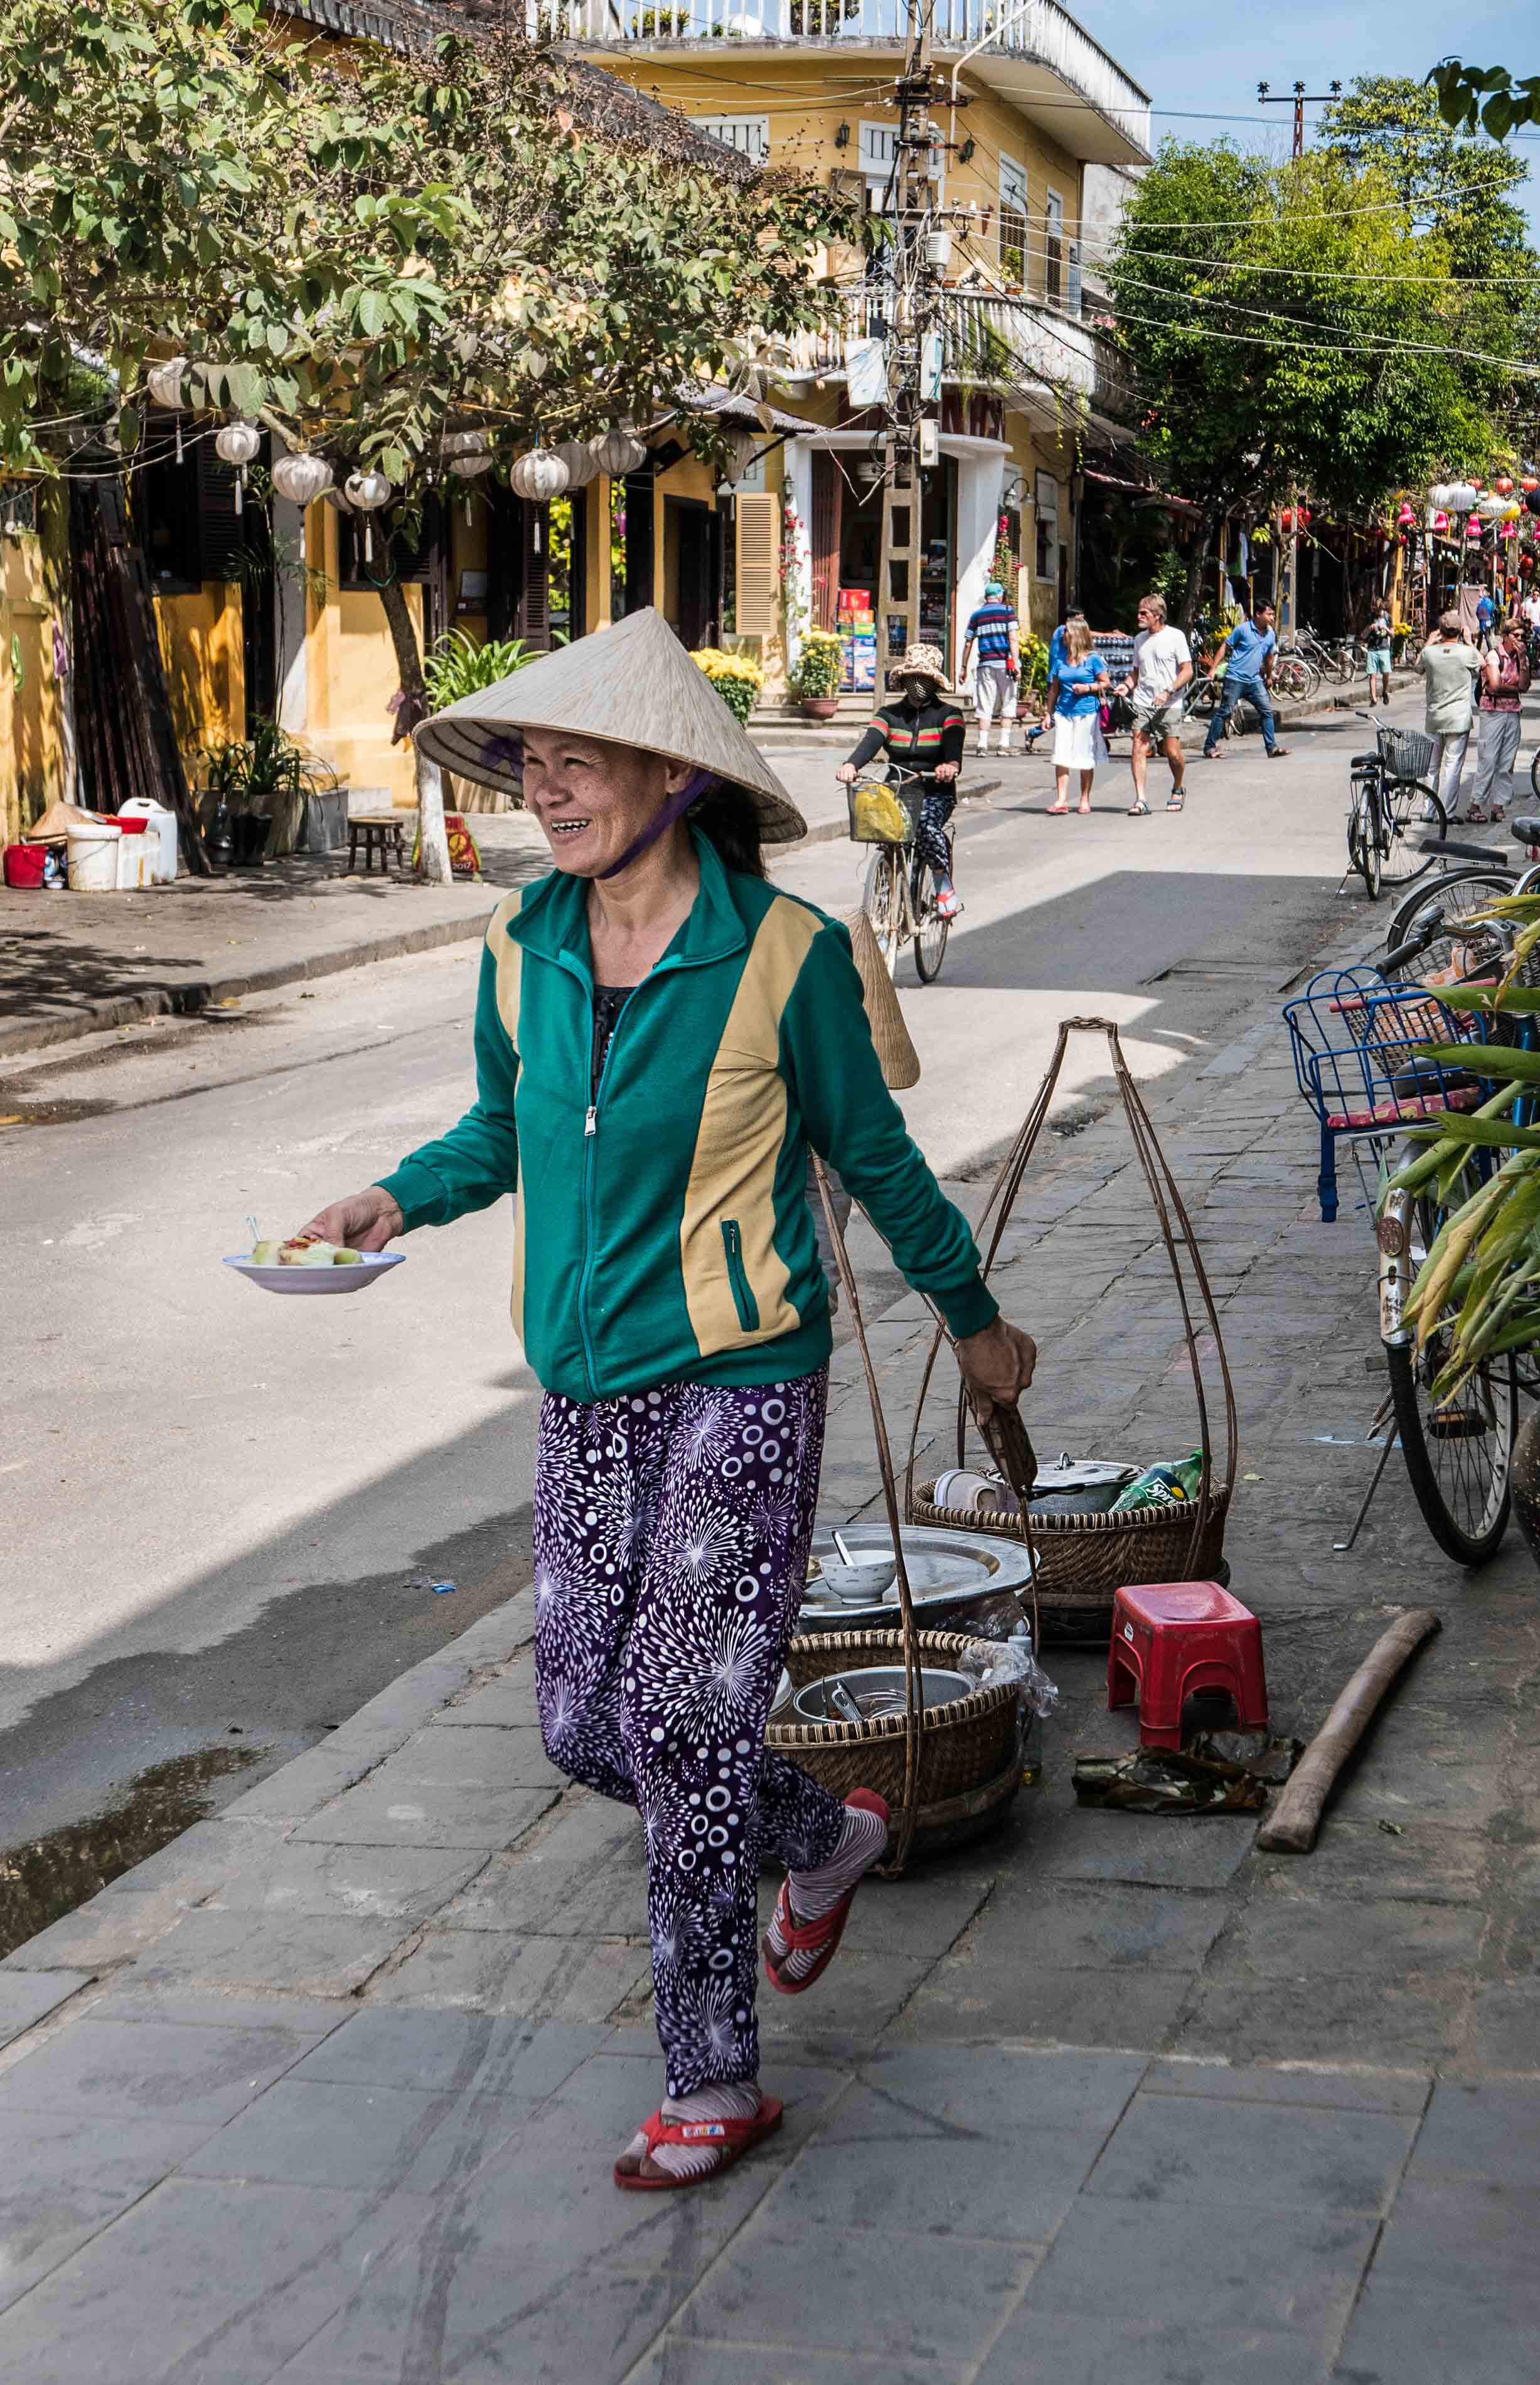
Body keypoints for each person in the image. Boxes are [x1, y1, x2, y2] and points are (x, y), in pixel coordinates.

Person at [296, 608, 1035, 2192]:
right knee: (581, 1722)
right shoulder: (518, 946)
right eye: (527, 763)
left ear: (668, 773)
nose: (543, 789)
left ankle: (709, 2072)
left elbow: (878, 1160)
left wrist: (971, 1322)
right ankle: (822, 1834)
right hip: (585, 1393)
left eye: (575, 759)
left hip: (742, 1381)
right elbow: (495, 1131)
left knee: (683, 1717)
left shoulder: (781, 954)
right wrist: (389, 1196)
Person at [838, 642, 966, 919]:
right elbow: (870, 743)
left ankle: (943, 883)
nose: (917, 684)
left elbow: (954, 751)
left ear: (935, 683)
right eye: (912, 678)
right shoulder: (888, 715)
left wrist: (950, 766)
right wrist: (851, 765)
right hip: (897, 788)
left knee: (926, 825)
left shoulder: (949, 715)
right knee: (882, 828)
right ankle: (887, 887)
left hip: (935, 792)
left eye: (924, 679)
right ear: (904, 680)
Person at [1116, 592, 1192, 814]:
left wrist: (1168, 691)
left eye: (1144, 613)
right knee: (1138, 747)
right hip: (1142, 702)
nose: (1138, 616)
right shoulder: (1139, 640)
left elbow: (1187, 671)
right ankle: (1141, 799)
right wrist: (1127, 686)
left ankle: (1178, 788)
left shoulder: (1176, 636)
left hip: (1170, 703)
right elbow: (1136, 673)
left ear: (1157, 615)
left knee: (1172, 753)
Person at [1199, 599, 1290, 763]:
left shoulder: (1270, 635)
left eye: (1273, 614)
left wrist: (1269, 677)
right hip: (1235, 678)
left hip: (1254, 681)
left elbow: (1269, 658)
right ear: (1258, 614)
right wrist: (1213, 669)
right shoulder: (1243, 629)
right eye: (1269, 614)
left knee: (1267, 712)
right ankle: (1209, 747)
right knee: (1225, 712)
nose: (1272, 617)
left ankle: (1272, 747)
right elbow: (1224, 647)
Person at [1466, 614, 1531, 823]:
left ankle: (1498, 806)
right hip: (1493, 712)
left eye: (1522, 636)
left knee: (1507, 761)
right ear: (1505, 636)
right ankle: (1475, 805)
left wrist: (1522, 660)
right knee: (1489, 759)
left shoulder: (1522, 658)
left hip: (1512, 712)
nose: (1519, 640)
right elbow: (1494, 686)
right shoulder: (1494, 656)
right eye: (1516, 635)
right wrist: (1513, 689)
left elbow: (1525, 686)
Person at [1042, 617, 1110, 814]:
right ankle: (1061, 800)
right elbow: (1053, 690)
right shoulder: (1060, 661)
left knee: (1084, 756)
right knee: (1061, 755)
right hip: (1064, 713)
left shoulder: (1093, 659)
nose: (1063, 635)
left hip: (1087, 714)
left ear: (1076, 635)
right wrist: (1048, 714)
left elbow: (1106, 683)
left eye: (1066, 631)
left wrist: (1087, 687)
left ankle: (1084, 799)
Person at [1418, 609, 1481, 819]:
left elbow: (1418, 667)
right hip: (1458, 718)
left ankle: (1428, 810)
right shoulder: (1466, 653)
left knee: (1432, 768)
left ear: (1441, 631)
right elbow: (1482, 664)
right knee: (1452, 767)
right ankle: (1446, 812)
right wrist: (1470, 642)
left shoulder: (1430, 653)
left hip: (1435, 717)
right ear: (1460, 631)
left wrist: (1429, 642)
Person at [958, 577, 1020, 756]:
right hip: (1005, 665)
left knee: (985, 704)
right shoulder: (1008, 612)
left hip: (985, 664)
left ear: (987, 597)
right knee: (1008, 702)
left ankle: (982, 746)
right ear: (1000, 596)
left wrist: (963, 668)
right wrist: (1016, 664)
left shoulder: (977, 615)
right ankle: (1003, 745)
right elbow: (1013, 638)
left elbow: (968, 643)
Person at [1364, 599, 1394, 705]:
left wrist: (1386, 628)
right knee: (1372, 675)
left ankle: (1385, 692)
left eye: (1379, 611)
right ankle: (1374, 699)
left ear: (1382, 608)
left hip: (1384, 649)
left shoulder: (1388, 617)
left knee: (1386, 673)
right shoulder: (1370, 617)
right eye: (1376, 611)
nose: (1377, 613)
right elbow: (1364, 635)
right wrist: (1370, 628)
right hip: (1372, 649)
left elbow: (1393, 635)